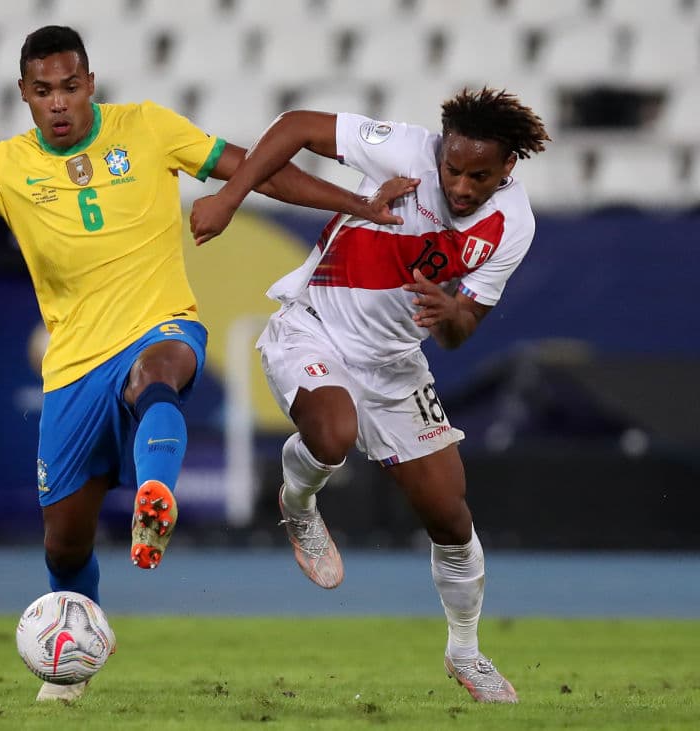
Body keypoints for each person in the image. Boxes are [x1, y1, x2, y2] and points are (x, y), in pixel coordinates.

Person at [0, 24, 415, 702]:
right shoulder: (4, 166)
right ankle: (76, 654)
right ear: (24, 95)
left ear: (90, 84)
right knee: (63, 545)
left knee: (160, 371)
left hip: (161, 325)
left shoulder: (149, 127)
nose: (59, 102)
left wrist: (359, 203)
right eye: (44, 91)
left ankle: (156, 496)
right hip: (71, 367)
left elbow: (256, 166)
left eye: (70, 87)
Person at [191, 88, 550, 704]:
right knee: (331, 434)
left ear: (509, 167)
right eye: (453, 169)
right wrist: (230, 197)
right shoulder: (405, 150)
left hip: (395, 365)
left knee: (451, 518)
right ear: (440, 153)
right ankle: (297, 502)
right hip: (315, 325)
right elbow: (298, 124)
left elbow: (465, 331)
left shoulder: (513, 226)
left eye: (479, 176)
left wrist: (449, 314)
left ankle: (465, 650)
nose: (461, 186)